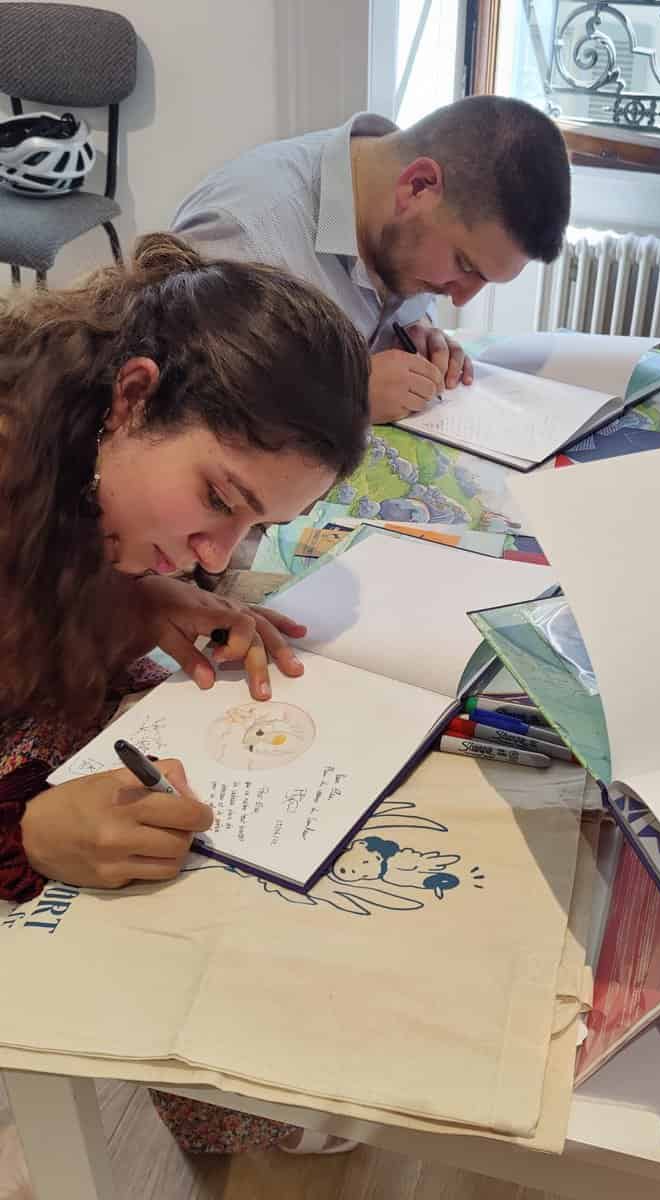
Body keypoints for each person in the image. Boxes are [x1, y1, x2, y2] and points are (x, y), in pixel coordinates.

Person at [0, 233, 370, 1156]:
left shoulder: (72, 456)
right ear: (133, 397)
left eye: (254, 526)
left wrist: (127, 597)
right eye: (218, 498)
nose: (216, 556)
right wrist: (21, 833)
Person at [172, 95, 572, 423]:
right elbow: (180, 400)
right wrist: (343, 400)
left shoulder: (401, 222)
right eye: (465, 266)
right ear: (417, 186)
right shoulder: (245, 230)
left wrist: (416, 331)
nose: (461, 298)